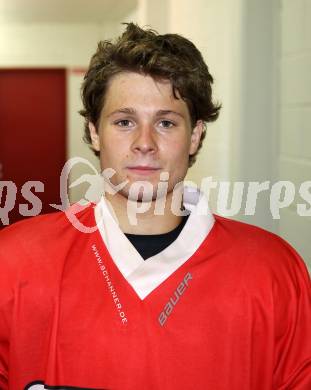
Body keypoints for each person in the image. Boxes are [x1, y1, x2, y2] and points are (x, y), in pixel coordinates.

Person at [0, 23, 310, 390]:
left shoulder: (273, 271)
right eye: (125, 121)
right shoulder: (14, 261)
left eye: (165, 122)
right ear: (95, 131)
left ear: (195, 135)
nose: (144, 142)